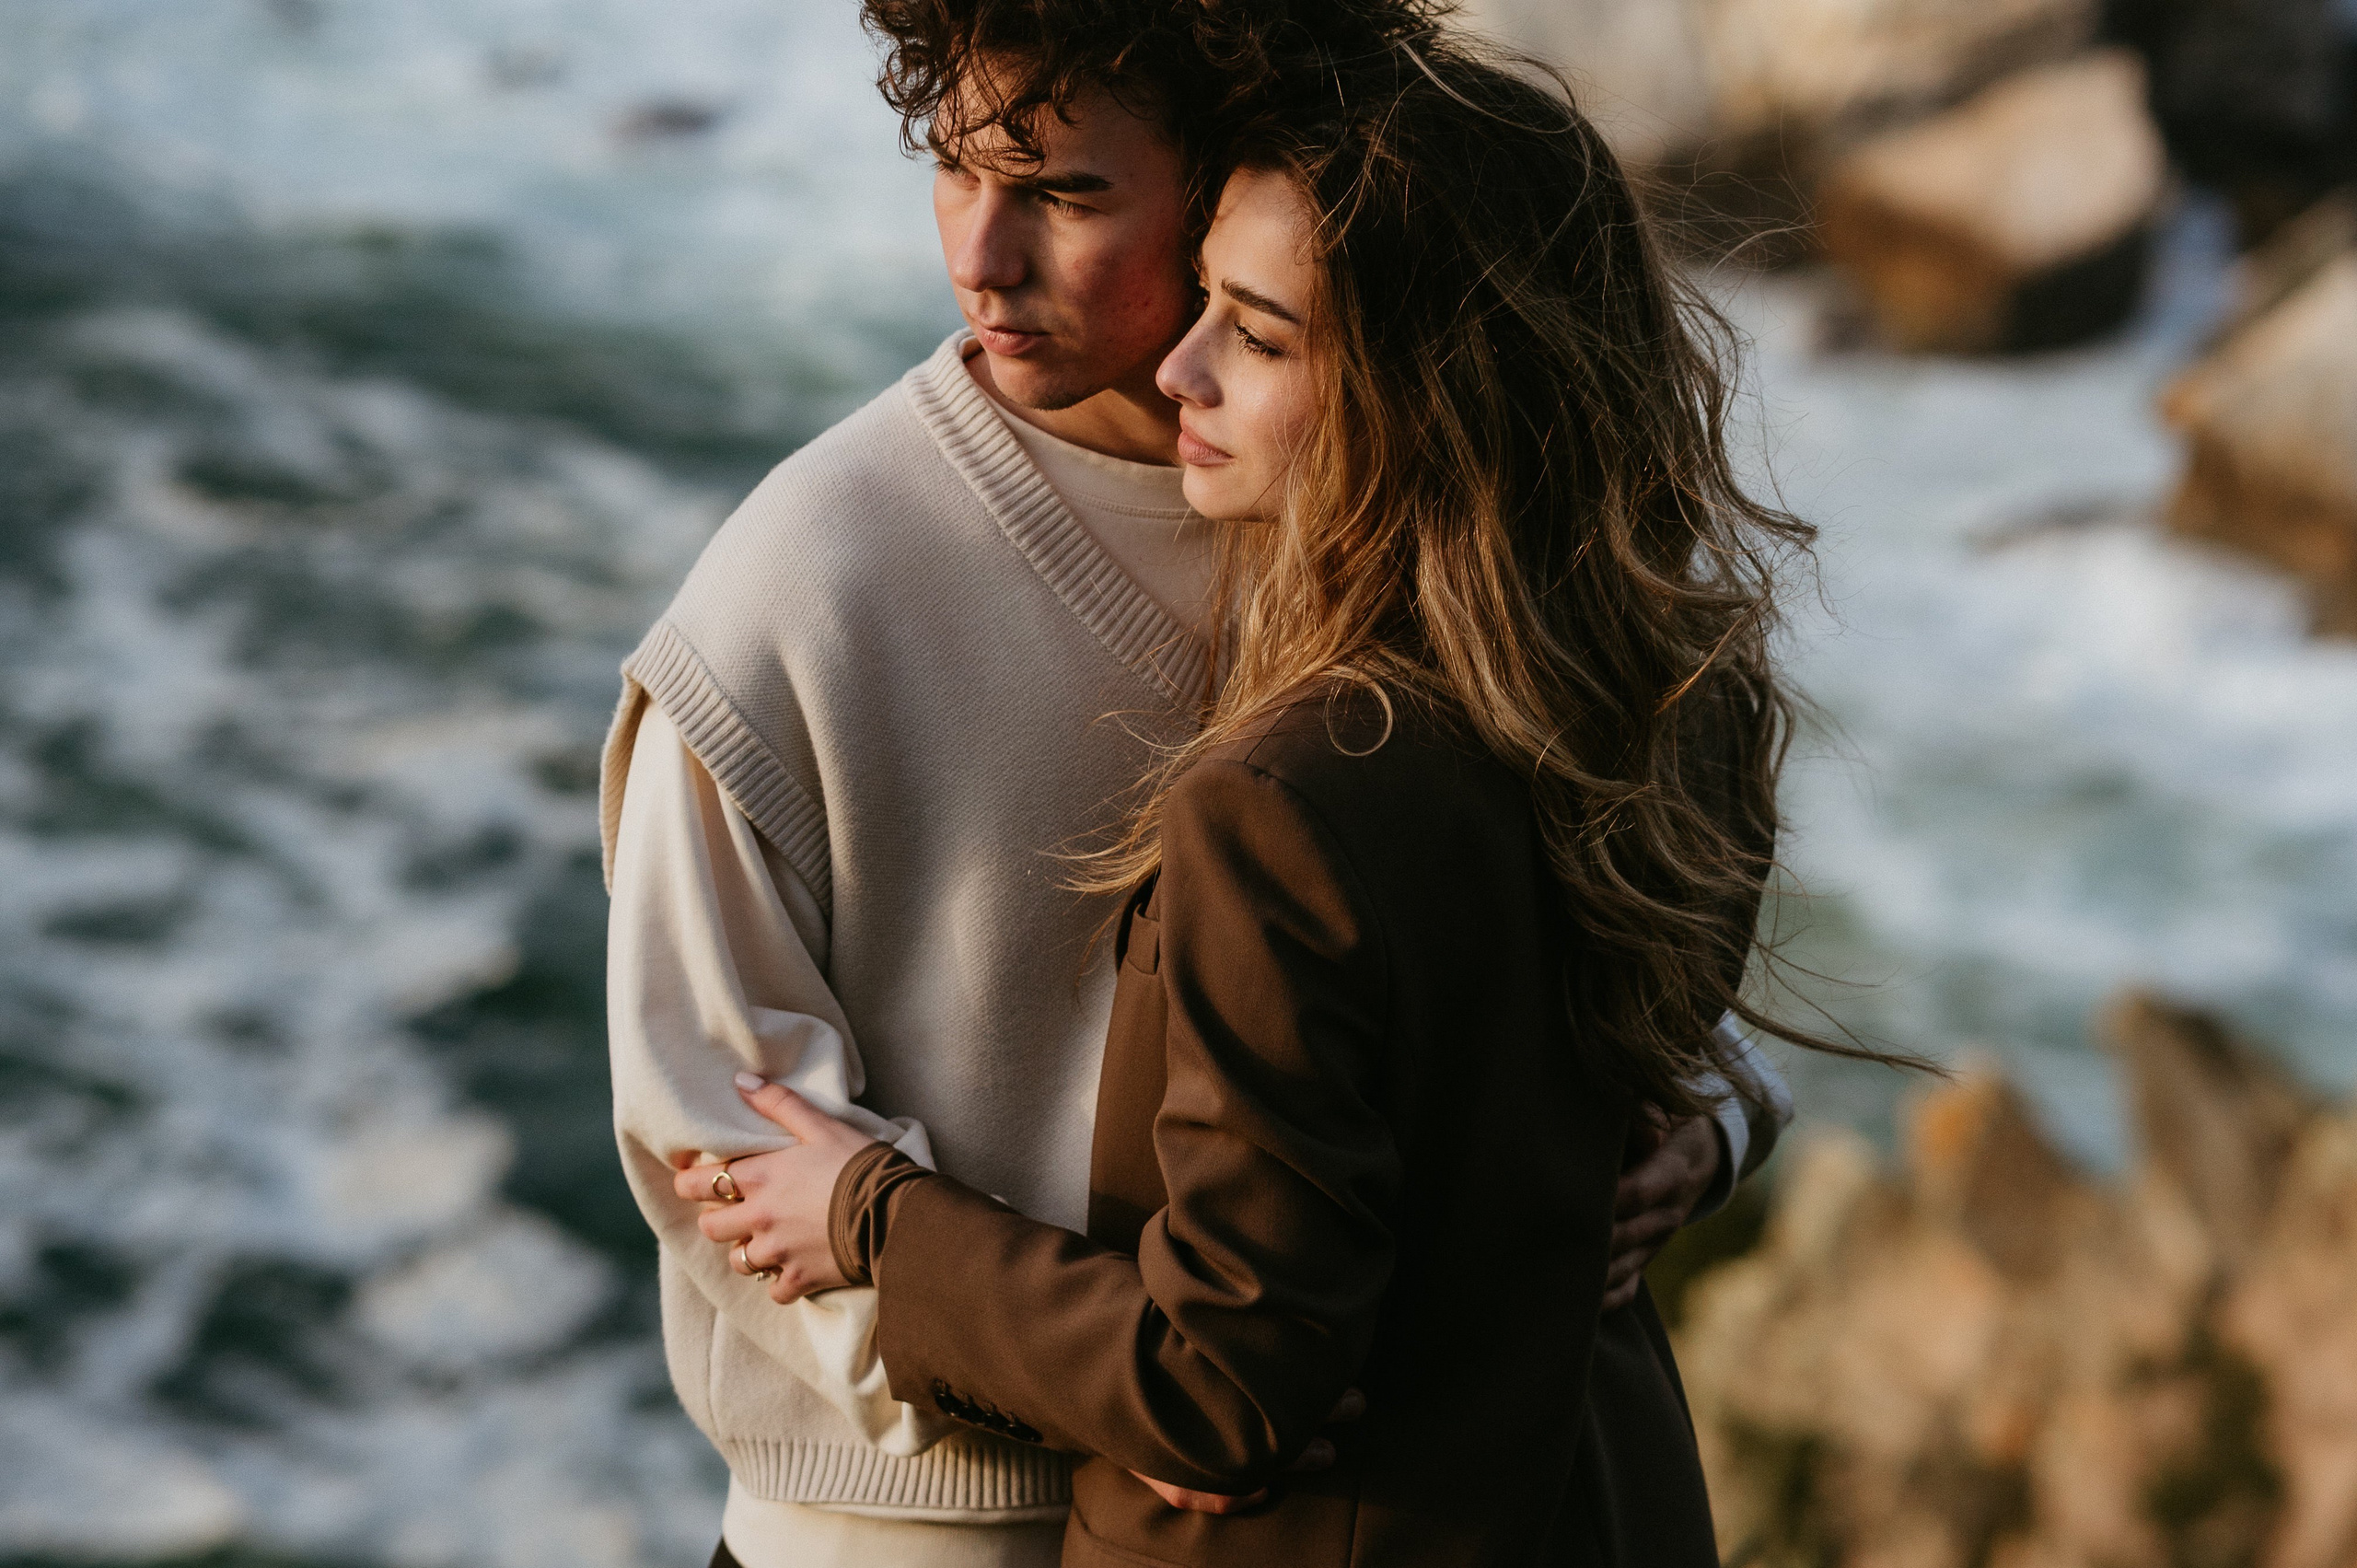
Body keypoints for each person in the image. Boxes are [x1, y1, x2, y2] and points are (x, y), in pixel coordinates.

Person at [602, 3, 1790, 1565]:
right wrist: (1165, 1390)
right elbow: (729, 1154)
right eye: (952, 171)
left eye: (1066, 193)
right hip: (937, 1534)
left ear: (1242, 175)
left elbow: (1599, 902)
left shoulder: (1395, 517)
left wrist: (1701, 1120)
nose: (981, 258)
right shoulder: (799, 590)